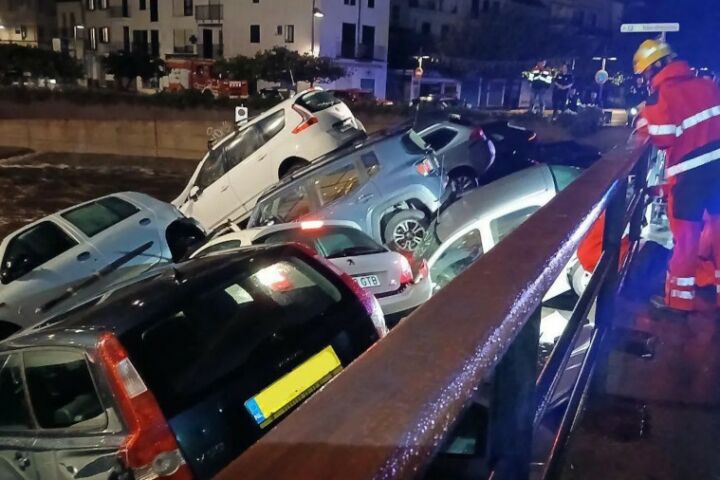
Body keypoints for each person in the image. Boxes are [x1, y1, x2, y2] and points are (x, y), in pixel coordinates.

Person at [634, 39, 720, 313]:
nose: (646, 79)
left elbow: (663, 139)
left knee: (686, 244)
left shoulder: (660, 97)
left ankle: (678, 304)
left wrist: (644, 118)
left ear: (656, 68)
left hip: (688, 181)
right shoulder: (708, 84)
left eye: (646, 73)